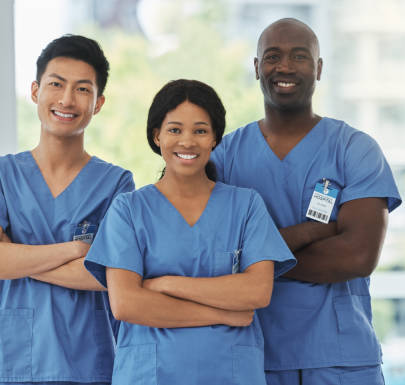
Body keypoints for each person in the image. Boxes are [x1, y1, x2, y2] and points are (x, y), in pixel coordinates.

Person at [210, 18, 402, 385]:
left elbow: (358, 255)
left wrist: (255, 261)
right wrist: (313, 233)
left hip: (340, 359)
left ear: (318, 68)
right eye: (272, 56)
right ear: (255, 68)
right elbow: (213, 257)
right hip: (254, 356)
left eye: (299, 56)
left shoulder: (354, 149)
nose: (284, 66)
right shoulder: (224, 157)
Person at [84, 79, 296, 385]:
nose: (187, 141)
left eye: (200, 130)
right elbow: (127, 304)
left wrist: (167, 284)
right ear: (156, 135)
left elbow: (256, 292)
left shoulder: (246, 206)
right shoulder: (128, 210)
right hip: (151, 375)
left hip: (230, 374)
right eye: (174, 130)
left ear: (214, 139)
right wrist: (224, 313)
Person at [0, 35, 134, 385]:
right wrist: (74, 251)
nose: (67, 100)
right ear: (36, 91)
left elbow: (110, 277)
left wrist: (14, 258)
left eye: (83, 89)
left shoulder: (116, 184)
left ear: (98, 103)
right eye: (56, 84)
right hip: (16, 363)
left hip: (89, 365)